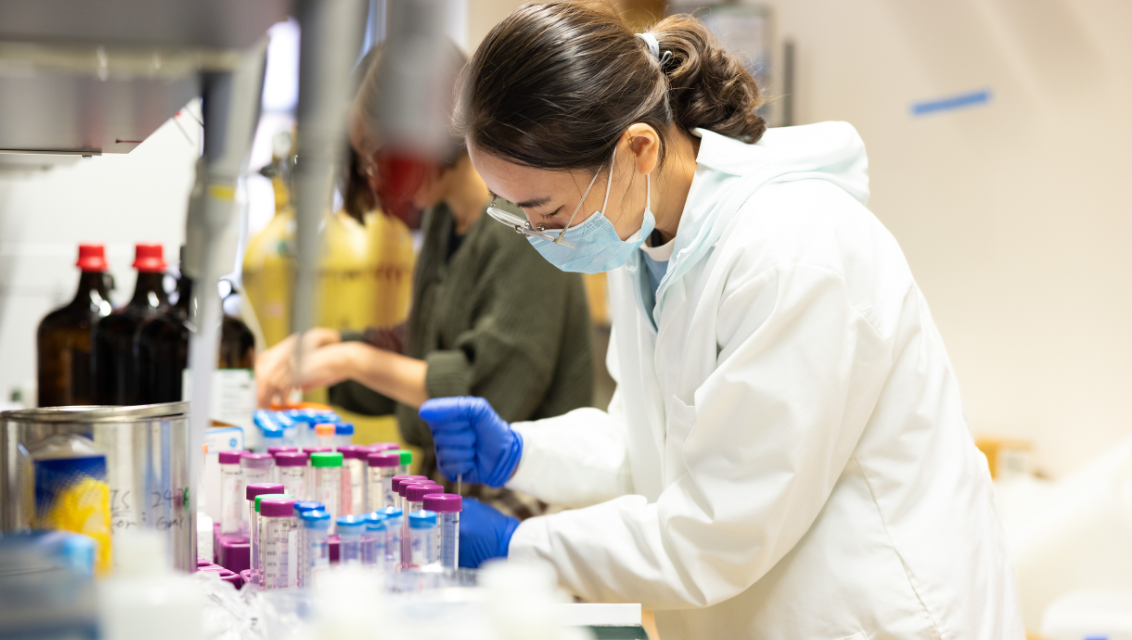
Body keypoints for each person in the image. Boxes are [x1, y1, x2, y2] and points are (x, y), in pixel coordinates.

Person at [418, 3, 1025, 638]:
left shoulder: (793, 250)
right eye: (517, 213)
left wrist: (522, 547)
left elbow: (724, 523)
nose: (540, 236)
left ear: (638, 149)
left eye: (546, 210)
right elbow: (648, 445)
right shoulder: (647, 238)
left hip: (875, 615)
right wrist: (521, 453)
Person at [255, 42, 594, 519]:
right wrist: (331, 346)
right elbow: (422, 353)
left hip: (532, 506)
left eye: (379, 154)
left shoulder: (525, 224)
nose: (377, 177)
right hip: (461, 489)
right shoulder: (445, 218)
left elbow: (487, 392)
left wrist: (352, 358)